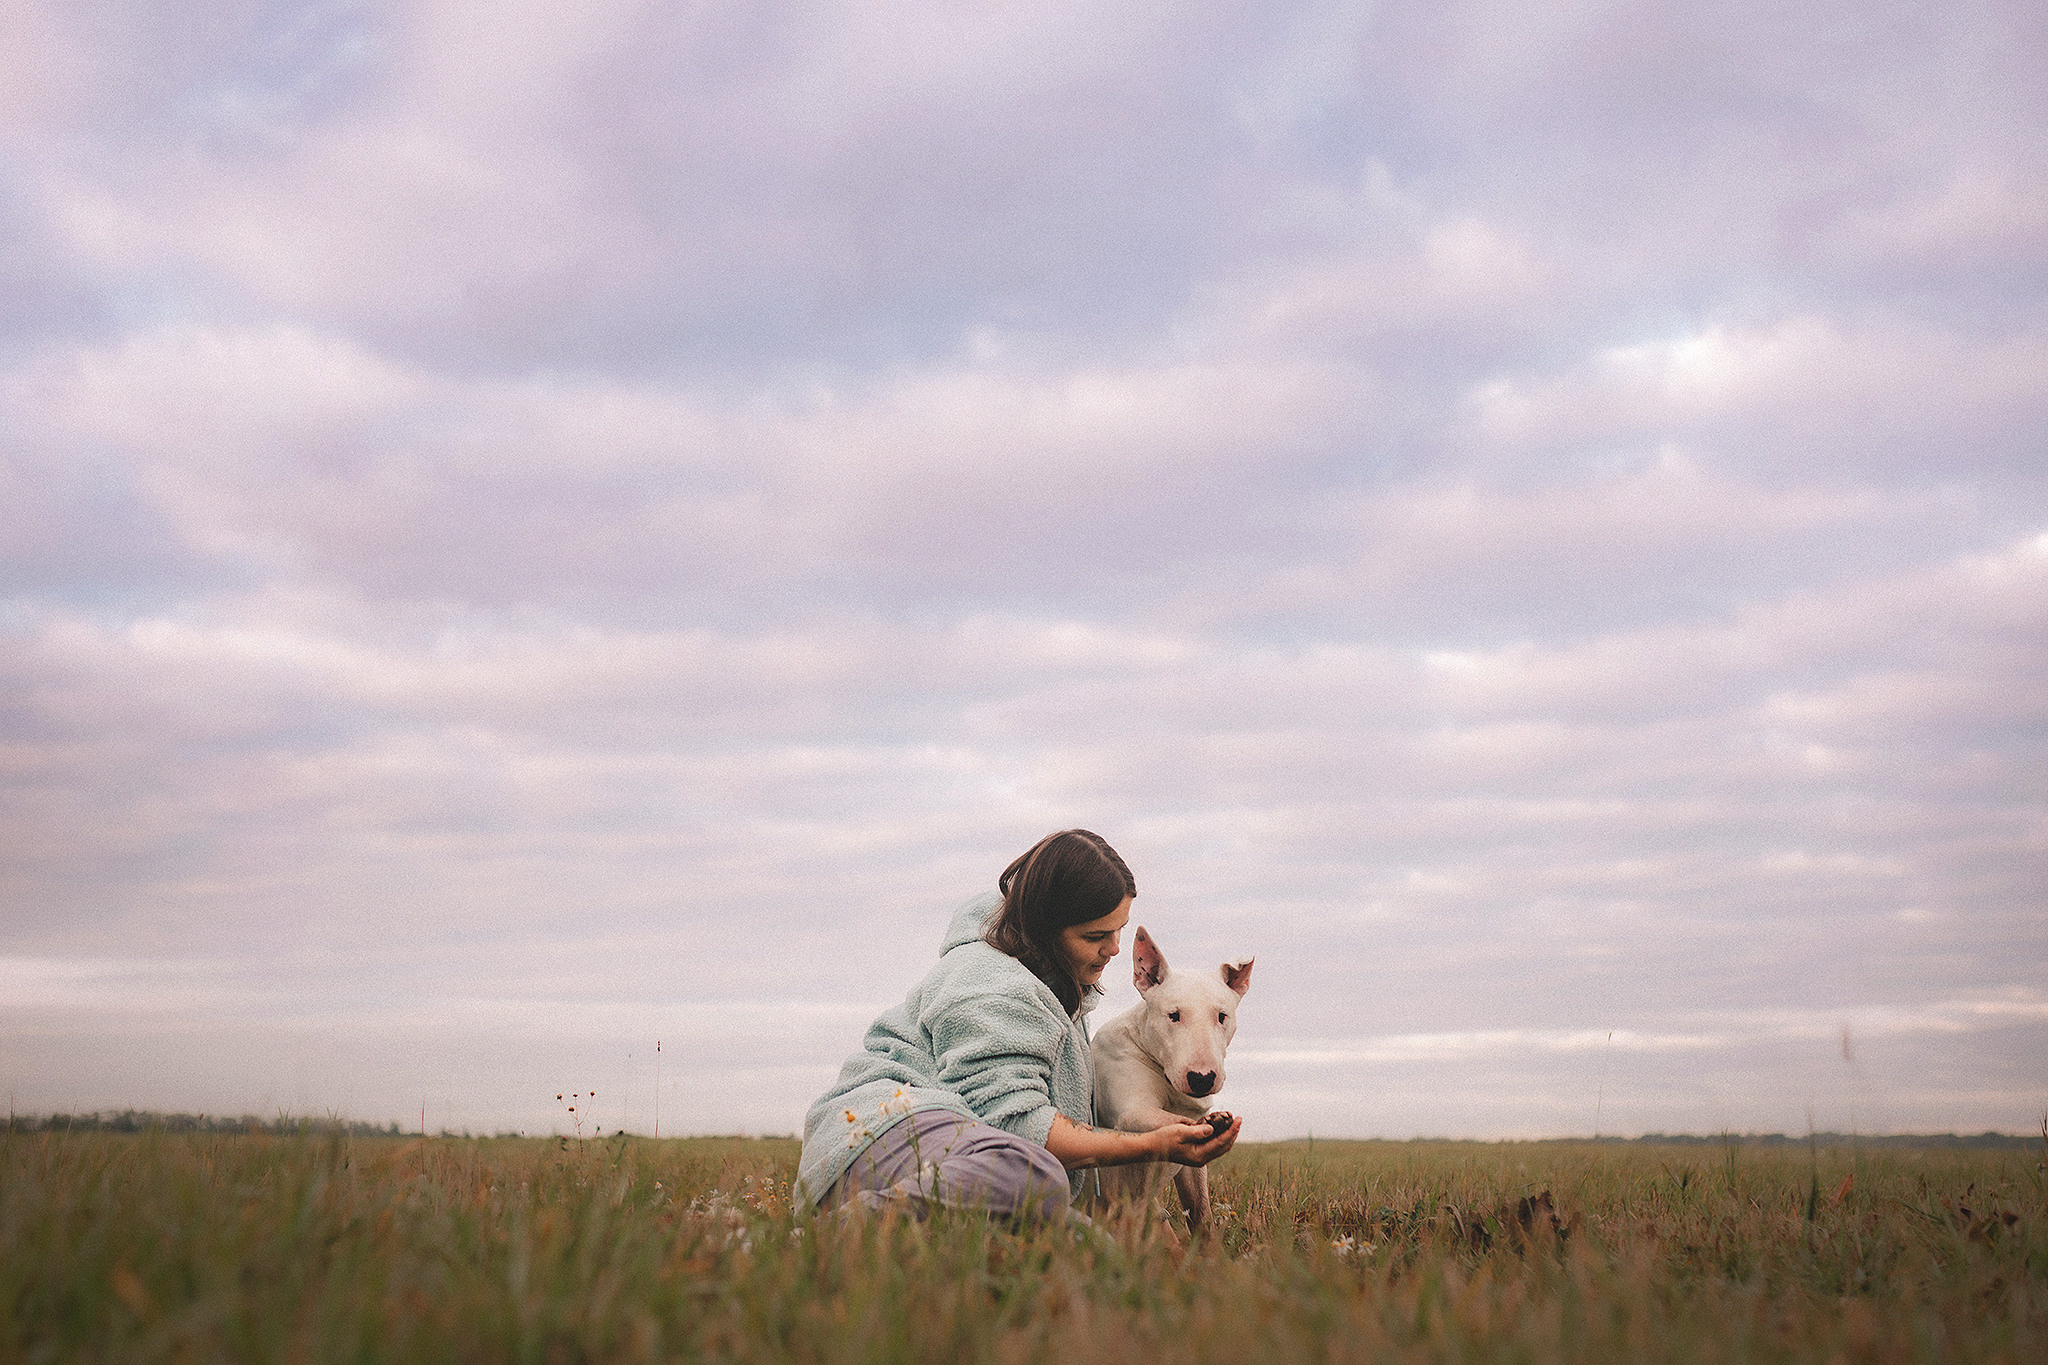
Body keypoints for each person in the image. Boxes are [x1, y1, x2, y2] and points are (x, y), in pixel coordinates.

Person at [797, 829, 1242, 1221]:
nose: (1113, 949)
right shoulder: (987, 985)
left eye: (1118, 930)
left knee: (1076, 1231)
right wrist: (1152, 1144)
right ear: (1045, 929)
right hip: (877, 1130)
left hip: (944, 1152)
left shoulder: (1057, 989)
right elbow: (1018, 1125)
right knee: (1033, 1179)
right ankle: (829, 1235)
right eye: (1094, 937)